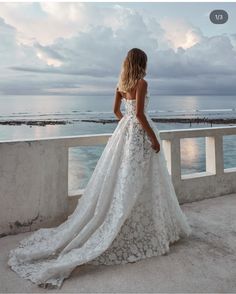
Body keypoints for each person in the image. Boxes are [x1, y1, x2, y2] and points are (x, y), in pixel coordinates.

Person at [8, 48, 192, 289]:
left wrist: (124, 125)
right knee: (141, 178)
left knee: (124, 178)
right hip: (138, 134)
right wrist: (153, 139)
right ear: (142, 63)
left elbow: (118, 112)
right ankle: (142, 226)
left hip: (124, 133)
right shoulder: (142, 82)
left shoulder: (121, 84)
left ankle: (127, 221)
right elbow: (139, 114)